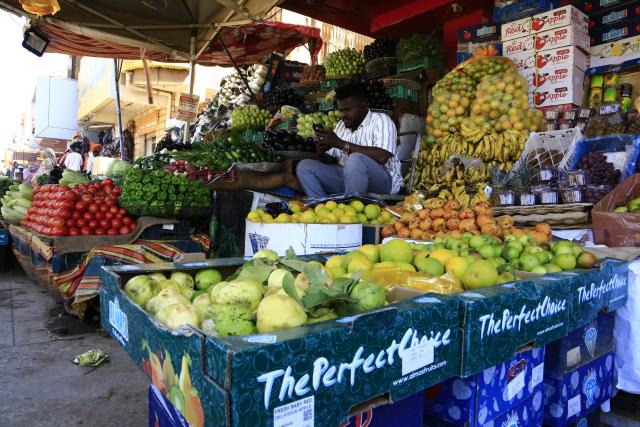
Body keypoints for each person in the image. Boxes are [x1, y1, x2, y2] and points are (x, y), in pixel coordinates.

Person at [296, 82, 402, 197]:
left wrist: (340, 143)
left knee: (355, 159)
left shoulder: (381, 120)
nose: (343, 115)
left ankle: (351, 209)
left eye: (348, 110)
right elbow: (332, 161)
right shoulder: (341, 125)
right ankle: (322, 207)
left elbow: (382, 156)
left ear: (364, 105)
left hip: (383, 183)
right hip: (349, 179)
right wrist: (321, 153)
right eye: (341, 110)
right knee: (305, 167)